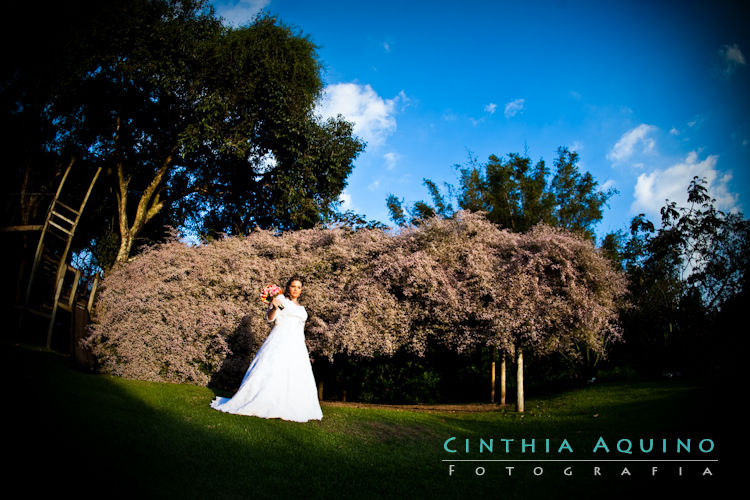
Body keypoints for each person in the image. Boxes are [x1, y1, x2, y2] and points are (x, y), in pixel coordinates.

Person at [210, 277, 323, 422]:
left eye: (299, 287)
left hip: (297, 344)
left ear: (301, 290)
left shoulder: (301, 308)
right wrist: (274, 307)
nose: (296, 289)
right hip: (280, 340)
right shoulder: (281, 300)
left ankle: (292, 403)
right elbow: (270, 318)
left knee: (295, 372)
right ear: (288, 287)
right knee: (273, 370)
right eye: (293, 286)